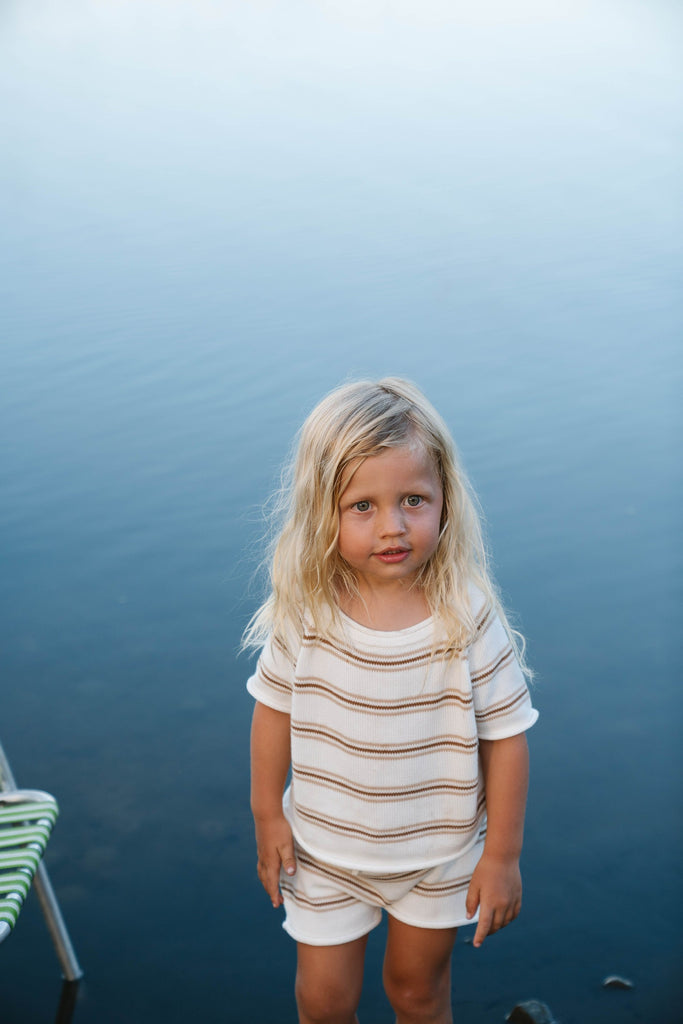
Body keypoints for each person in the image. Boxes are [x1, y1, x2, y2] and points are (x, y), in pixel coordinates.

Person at [243, 378, 538, 1024]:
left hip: (436, 854)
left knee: (416, 993)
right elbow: (272, 711)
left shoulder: (466, 616)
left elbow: (507, 737)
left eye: (412, 500)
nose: (393, 527)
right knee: (321, 1003)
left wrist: (502, 857)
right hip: (323, 851)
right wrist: (268, 814)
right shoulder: (308, 612)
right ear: (323, 511)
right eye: (363, 507)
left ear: (445, 501)